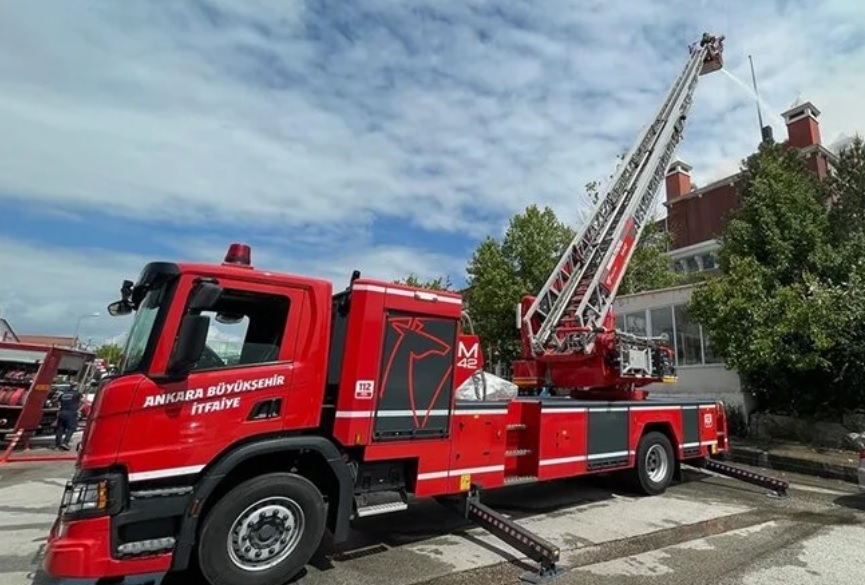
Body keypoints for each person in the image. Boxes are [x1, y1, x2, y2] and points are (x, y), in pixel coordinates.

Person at [54, 384, 81, 451]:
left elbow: (55, 401)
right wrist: (79, 408)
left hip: (62, 413)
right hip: (71, 413)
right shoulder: (77, 394)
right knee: (72, 428)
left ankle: (57, 445)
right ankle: (65, 442)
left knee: (60, 429)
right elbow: (83, 400)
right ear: (75, 387)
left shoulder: (63, 394)